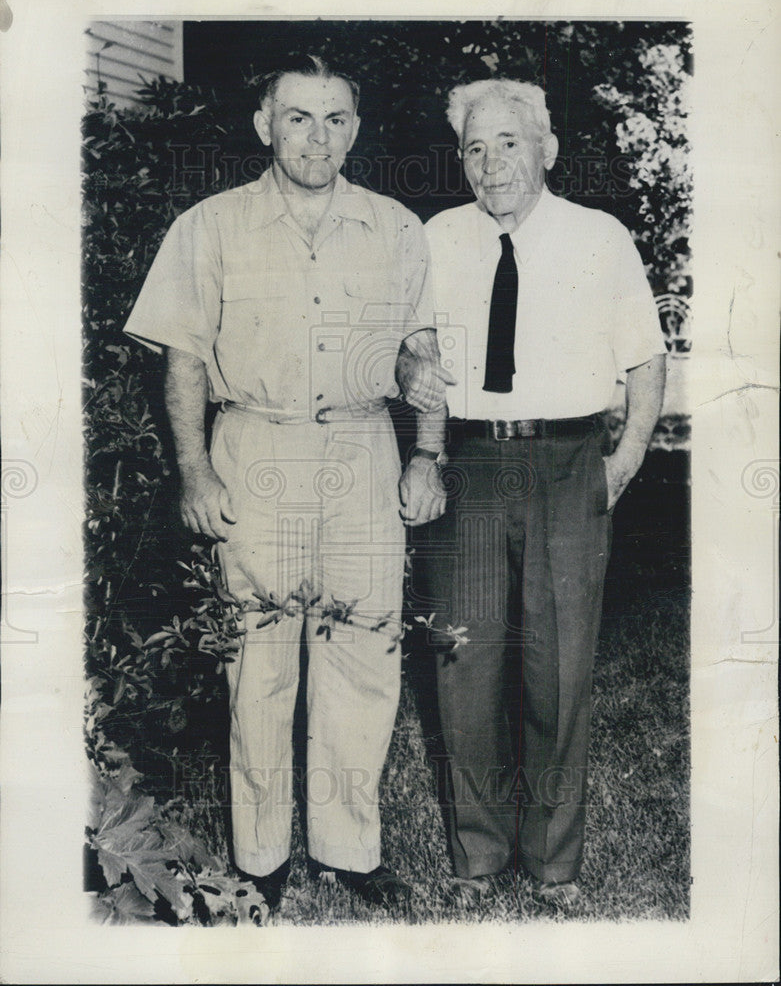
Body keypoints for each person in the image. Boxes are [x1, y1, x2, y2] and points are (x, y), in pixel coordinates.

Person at [124, 55, 448, 911]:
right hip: (252, 448)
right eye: (298, 118)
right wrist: (194, 470)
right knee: (258, 661)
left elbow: (424, 353)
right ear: (264, 125)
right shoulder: (210, 227)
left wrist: (428, 454)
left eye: (335, 119)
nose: (317, 136)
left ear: (355, 129)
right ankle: (260, 856)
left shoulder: (396, 228)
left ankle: (350, 850)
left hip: (361, 452)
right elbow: (184, 357)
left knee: (364, 653)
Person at [420, 78, 667, 907]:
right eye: (474, 148)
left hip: (566, 461)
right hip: (472, 464)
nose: (490, 165)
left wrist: (623, 459)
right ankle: (478, 857)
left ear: (546, 150)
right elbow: (416, 357)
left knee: (558, 668)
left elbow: (643, 360)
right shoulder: (438, 237)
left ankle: (554, 862)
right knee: (467, 660)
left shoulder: (601, 238)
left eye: (509, 143)